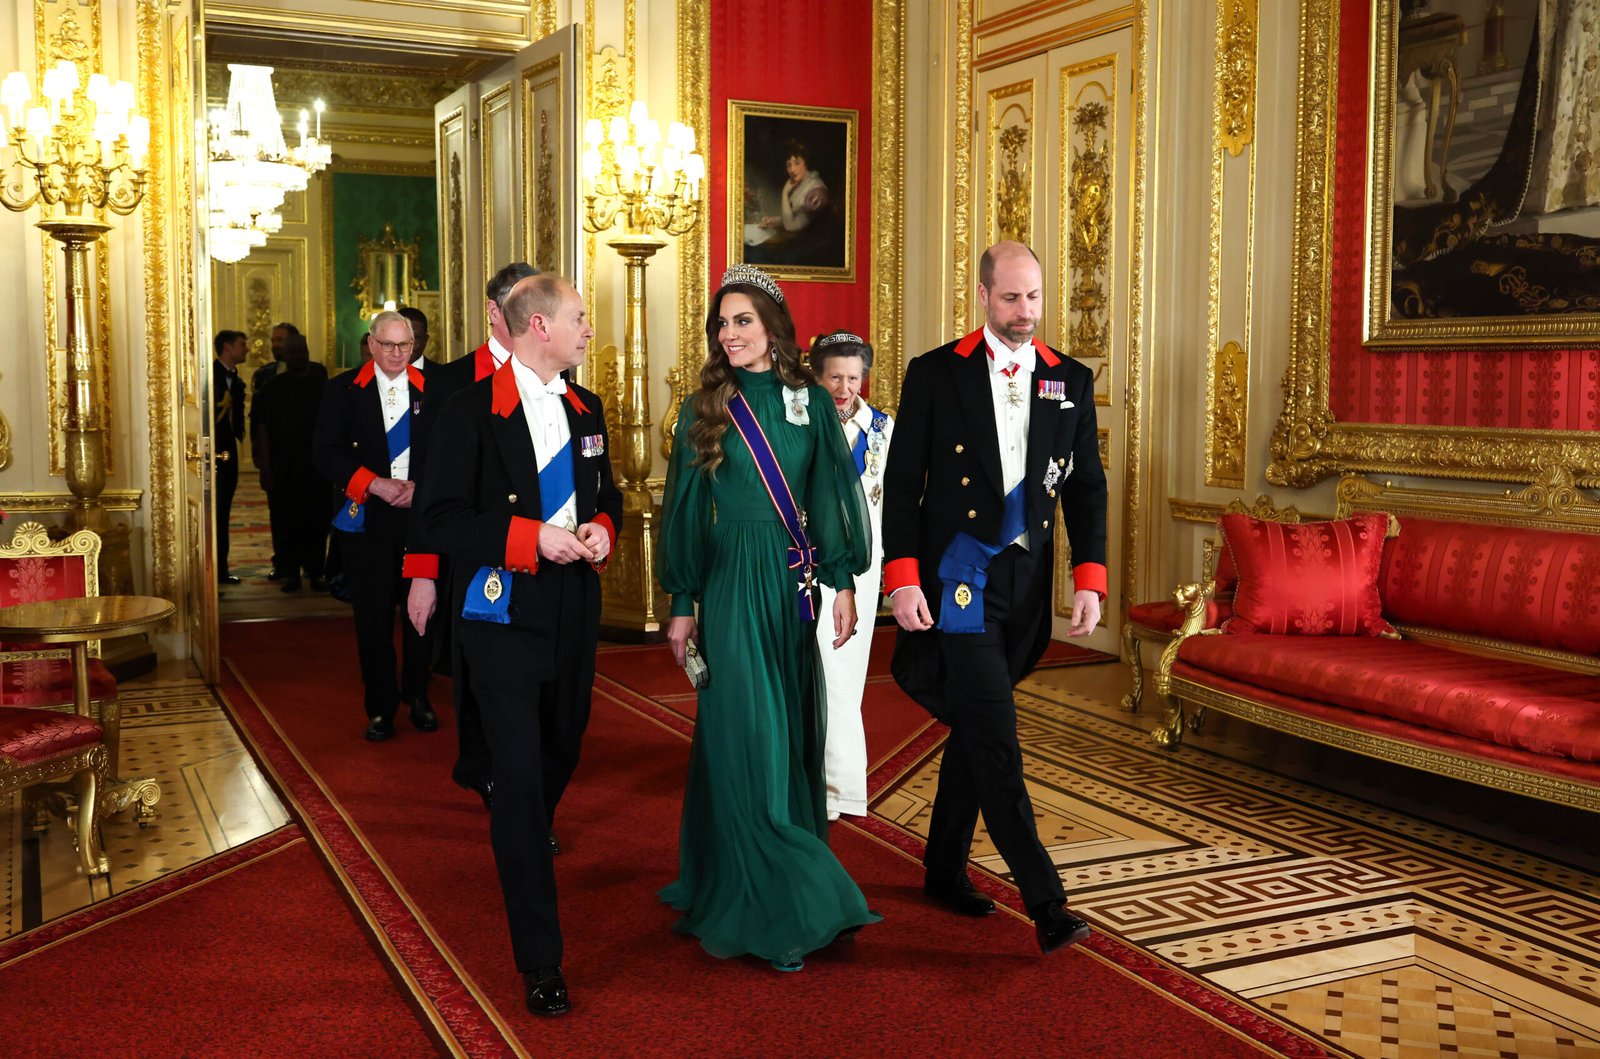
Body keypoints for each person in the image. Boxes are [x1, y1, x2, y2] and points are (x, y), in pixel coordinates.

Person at [881, 240, 1107, 954]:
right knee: (997, 734)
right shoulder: (935, 373)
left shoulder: (1069, 379)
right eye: (1010, 297)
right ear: (982, 296)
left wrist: (1090, 577)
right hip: (959, 581)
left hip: (1025, 586)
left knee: (979, 724)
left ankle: (943, 866)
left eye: (1034, 296)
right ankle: (1046, 901)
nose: (1024, 311)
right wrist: (903, 577)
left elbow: (1087, 487)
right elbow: (903, 486)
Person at [659, 264, 878, 973]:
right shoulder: (705, 406)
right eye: (722, 323)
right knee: (746, 731)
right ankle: (782, 893)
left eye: (743, 320)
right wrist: (683, 602)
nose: (729, 334)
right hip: (729, 582)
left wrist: (842, 583)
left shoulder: (810, 400)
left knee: (784, 728)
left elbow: (832, 491)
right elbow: (685, 507)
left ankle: (746, 873)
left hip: (790, 587)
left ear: (774, 327)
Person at [416, 273, 620, 1017]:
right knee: (522, 778)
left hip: (573, 609)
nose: (588, 330)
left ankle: (520, 816)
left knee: (564, 743)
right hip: (501, 613)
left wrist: (603, 528)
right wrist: (529, 538)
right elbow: (437, 520)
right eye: (580, 318)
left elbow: (607, 494)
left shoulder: (587, 407)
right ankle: (541, 960)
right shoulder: (469, 410)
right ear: (539, 327)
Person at [405, 262, 539, 816]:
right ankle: (490, 780)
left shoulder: (556, 376)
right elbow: (428, 485)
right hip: (476, 560)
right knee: (481, 683)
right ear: (493, 310)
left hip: (540, 560)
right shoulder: (451, 383)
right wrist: (422, 573)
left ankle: (524, 785)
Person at [311, 311, 437, 741]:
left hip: (420, 519)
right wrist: (374, 484)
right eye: (388, 345)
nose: (397, 353)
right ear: (370, 344)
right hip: (367, 518)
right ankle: (380, 707)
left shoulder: (435, 390)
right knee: (373, 617)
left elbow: (453, 453)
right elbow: (325, 454)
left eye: (405, 345)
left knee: (422, 613)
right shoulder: (342, 390)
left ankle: (418, 695)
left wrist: (423, 488)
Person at [808, 330, 893, 821]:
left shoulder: (883, 428)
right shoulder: (801, 423)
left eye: (854, 378)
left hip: (862, 567)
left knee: (847, 674)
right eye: (835, 378)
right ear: (816, 378)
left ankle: (839, 787)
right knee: (819, 670)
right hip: (812, 562)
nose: (845, 388)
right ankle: (826, 786)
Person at [254, 330, 329, 593]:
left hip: (316, 467)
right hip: (283, 465)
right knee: (284, 520)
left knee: (317, 520)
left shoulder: (321, 384)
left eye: (302, 351)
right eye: (294, 352)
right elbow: (262, 428)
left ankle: (316, 570)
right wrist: (265, 467)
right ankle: (290, 572)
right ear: (285, 355)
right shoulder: (272, 387)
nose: (299, 356)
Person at [747, 141, 838, 267]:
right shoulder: (803, 185)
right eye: (789, 165)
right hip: (800, 243)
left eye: (797, 163)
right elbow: (796, 215)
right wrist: (776, 221)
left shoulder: (816, 192)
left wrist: (785, 193)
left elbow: (791, 226)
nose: (792, 169)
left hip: (813, 252)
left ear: (806, 163)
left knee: (757, 255)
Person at [212, 329, 248, 585]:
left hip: (229, 451)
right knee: (214, 513)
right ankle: (214, 570)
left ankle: (221, 569)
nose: (246, 349)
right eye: (241, 345)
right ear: (227, 347)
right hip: (212, 451)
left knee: (224, 511)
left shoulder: (236, 380)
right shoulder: (210, 376)